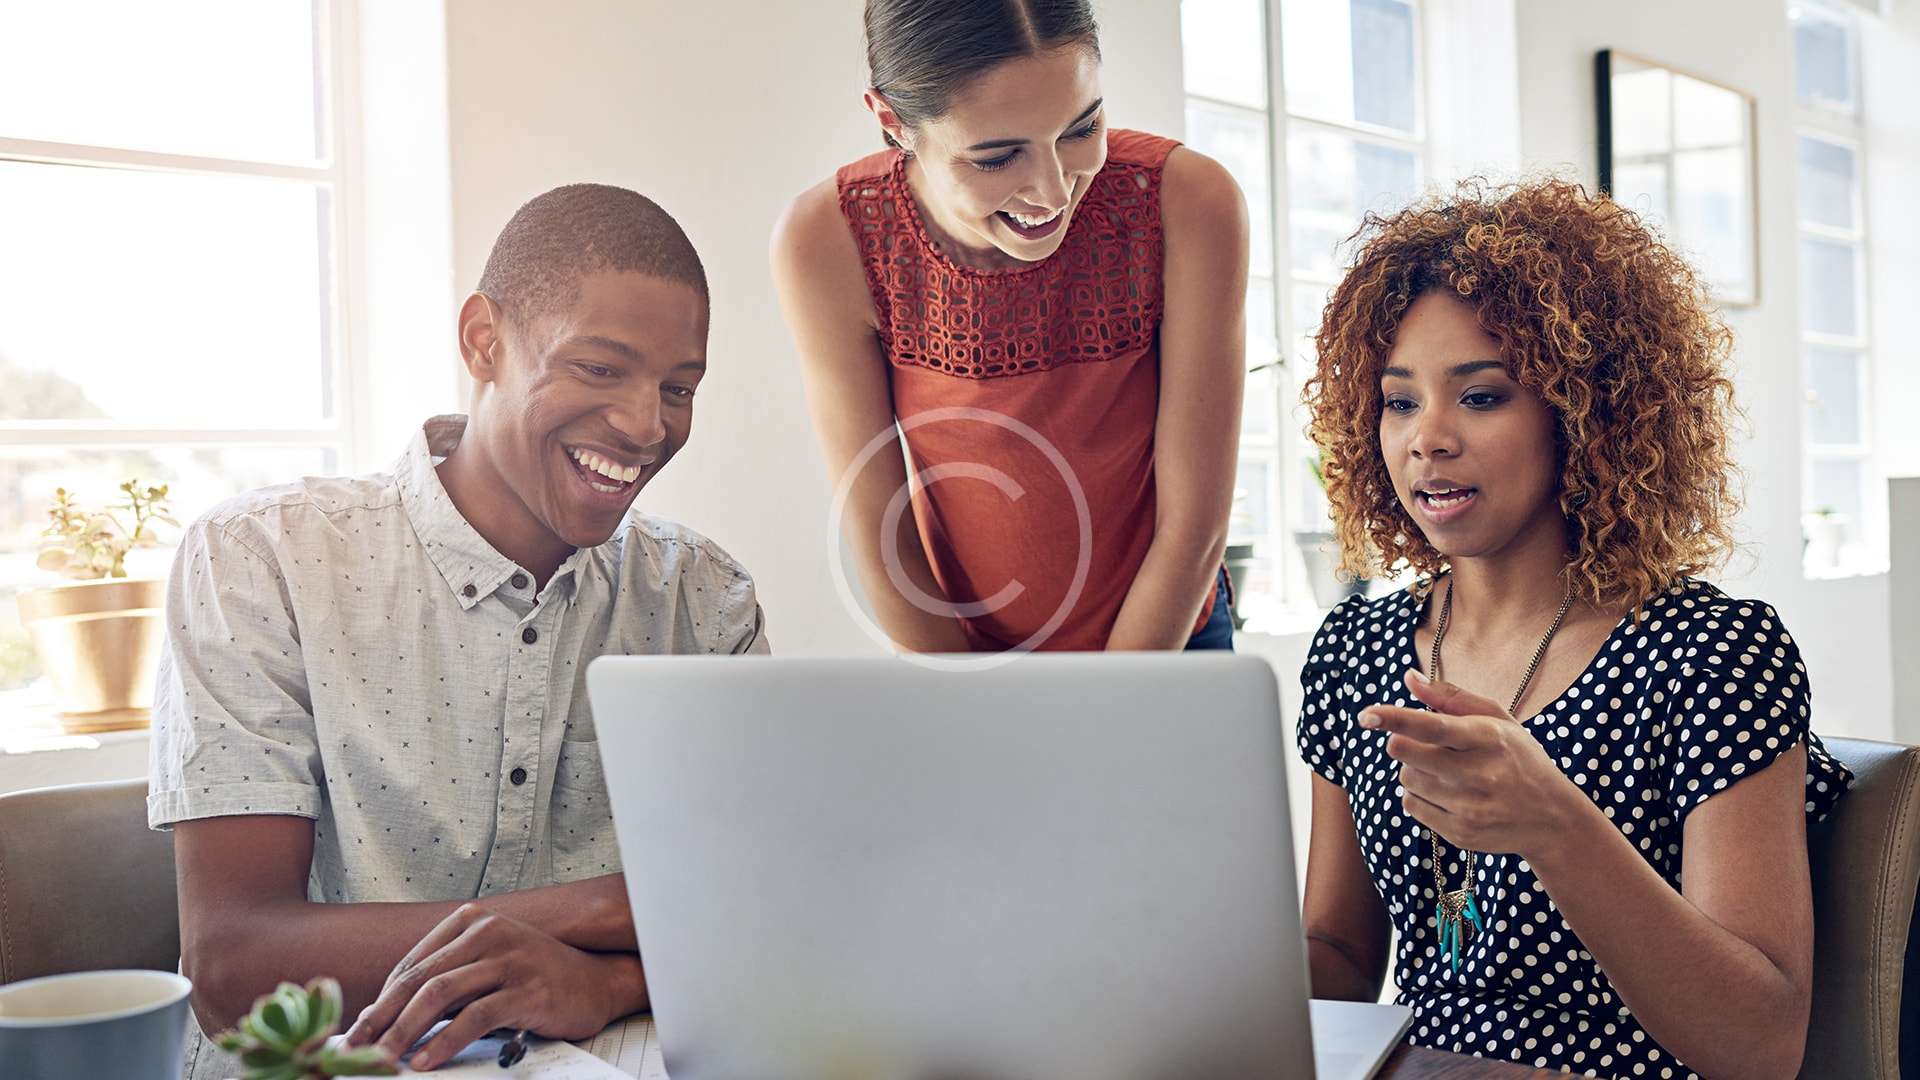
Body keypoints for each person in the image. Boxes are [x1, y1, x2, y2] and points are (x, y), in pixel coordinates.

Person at [147, 183, 769, 1078]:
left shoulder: (705, 598)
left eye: (679, 388)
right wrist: (612, 908)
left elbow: (765, 918)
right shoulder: (261, 557)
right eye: (600, 369)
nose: (646, 425)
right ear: (484, 340)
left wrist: (604, 984)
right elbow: (234, 968)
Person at [1294, 178, 1851, 1079]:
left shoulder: (1711, 656)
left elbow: (1761, 1047)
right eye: (1400, 402)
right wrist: (1188, 971)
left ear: (1587, 413)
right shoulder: (1355, 651)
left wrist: (1555, 826)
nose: (1427, 438)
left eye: (1481, 397)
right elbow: (1344, 959)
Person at [772, 0, 1248, 654]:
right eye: (997, 158)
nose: (1053, 192)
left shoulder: (1188, 202)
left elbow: (1193, 528)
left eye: (1082, 128)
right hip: (965, 654)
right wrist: (967, 699)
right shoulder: (827, 241)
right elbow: (883, 535)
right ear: (892, 122)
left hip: (1174, 637)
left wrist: (1122, 696)